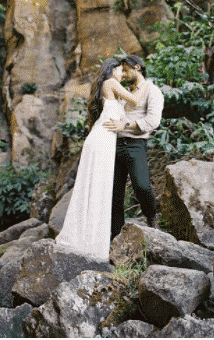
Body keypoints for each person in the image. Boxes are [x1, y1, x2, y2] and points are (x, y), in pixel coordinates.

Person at [55, 57, 148, 262]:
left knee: (99, 188)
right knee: (98, 187)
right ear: (112, 70)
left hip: (103, 140)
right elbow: (135, 100)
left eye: (125, 72)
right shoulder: (110, 83)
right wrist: (144, 83)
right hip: (101, 141)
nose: (123, 75)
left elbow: (125, 108)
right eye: (120, 70)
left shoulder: (109, 87)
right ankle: (92, 242)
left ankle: (93, 239)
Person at [103, 55, 164, 241]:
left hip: (135, 144)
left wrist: (126, 125)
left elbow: (153, 121)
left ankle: (152, 218)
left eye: (126, 69)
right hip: (114, 144)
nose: (123, 73)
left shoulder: (152, 91)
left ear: (137, 67)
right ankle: (116, 235)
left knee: (142, 185)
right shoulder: (122, 91)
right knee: (114, 193)